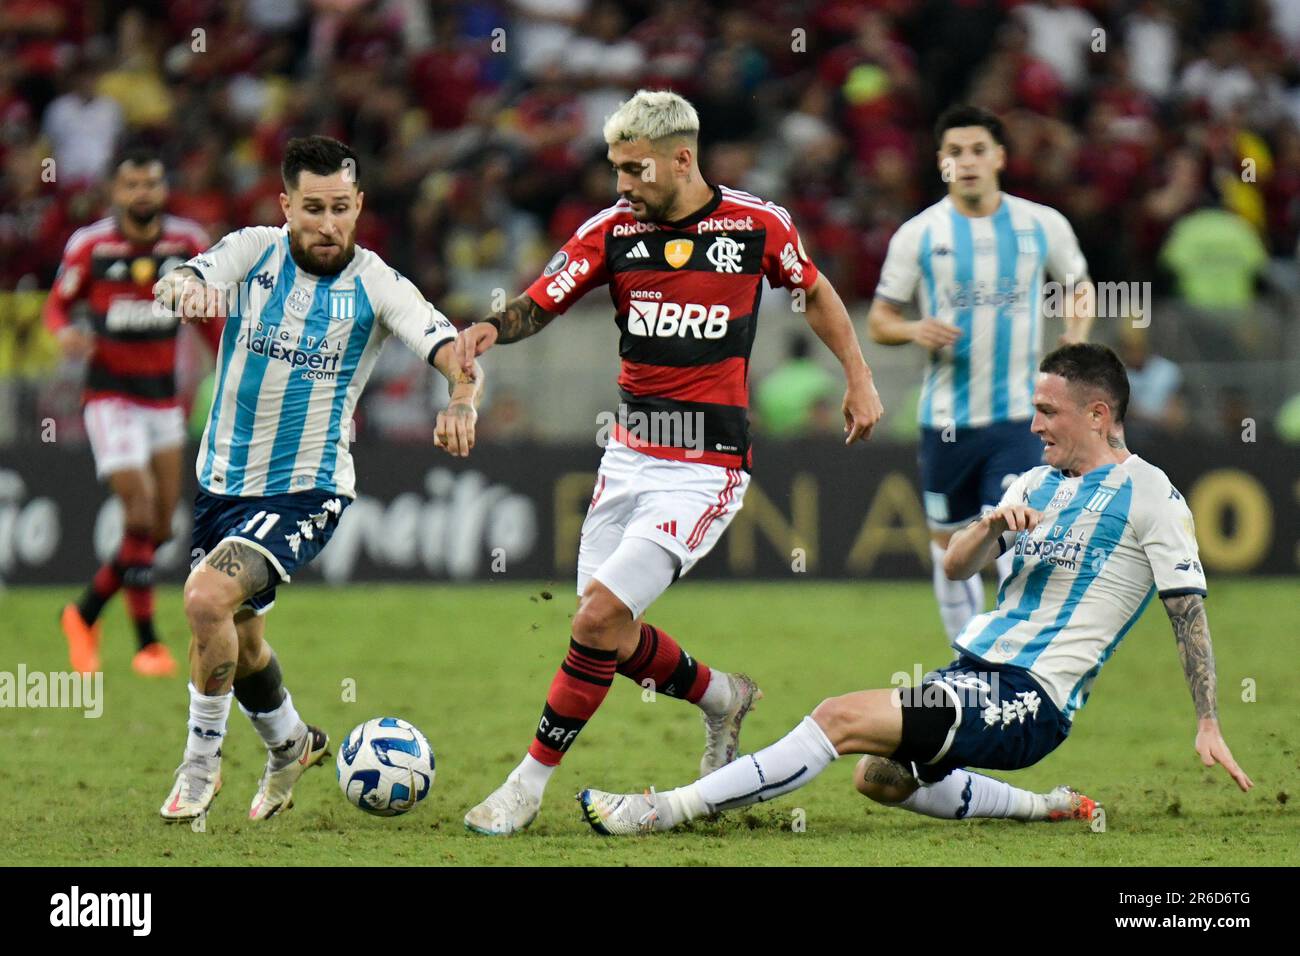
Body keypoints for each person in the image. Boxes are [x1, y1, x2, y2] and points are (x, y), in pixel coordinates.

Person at [580, 343, 1252, 835]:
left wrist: (1209, 718)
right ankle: (1046, 806)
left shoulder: (1151, 494)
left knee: (839, 716)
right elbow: (957, 565)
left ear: (1099, 414)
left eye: (1048, 412)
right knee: (879, 777)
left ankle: (661, 810)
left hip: (1030, 697)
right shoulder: (1033, 483)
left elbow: (1186, 610)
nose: (1035, 426)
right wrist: (990, 525)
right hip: (972, 673)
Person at [454, 89, 884, 835]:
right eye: (615, 167)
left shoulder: (756, 225)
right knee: (608, 639)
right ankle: (722, 696)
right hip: (627, 457)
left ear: (681, 159)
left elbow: (812, 291)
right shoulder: (613, 230)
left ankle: (525, 787)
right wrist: (493, 327)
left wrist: (859, 374)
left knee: (594, 620)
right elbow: (542, 300)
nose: (620, 183)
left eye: (632, 168)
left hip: (705, 465)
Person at [150, 136, 484, 822]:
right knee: (239, 641)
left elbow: (451, 350)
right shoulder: (254, 250)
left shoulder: (377, 284)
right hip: (220, 483)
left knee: (205, 600)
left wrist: (459, 400)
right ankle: (292, 744)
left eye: (340, 208)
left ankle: (199, 765)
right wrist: (180, 287)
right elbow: (191, 274)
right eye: (312, 208)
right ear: (286, 205)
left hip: (308, 487)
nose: (327, 224)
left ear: (358, 206)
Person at [867, 104, 1094, 647]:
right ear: (941, 162)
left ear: (1000, 158)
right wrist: (914, 329)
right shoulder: (919, 234)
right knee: (949, 550)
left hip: (1020, 418)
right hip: (945, 421)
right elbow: (879, 319)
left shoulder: (1041, 224)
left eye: (977, 150)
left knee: (1014, 535)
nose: (966, 162)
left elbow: (1079, 285)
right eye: (954, 152)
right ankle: (966, 658)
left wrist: (1077, 331)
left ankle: (1015, 654)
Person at [45, 146, 215, 678]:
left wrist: (230, 358)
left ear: (164, 189)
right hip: (109, 396)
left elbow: (209, 316)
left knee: (160, 528)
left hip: (163, 399)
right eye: (132, 185)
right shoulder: (91, 246)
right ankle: (147, 643)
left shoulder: (188, 244)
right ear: (116, 193)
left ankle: (84, 612)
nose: (143, 194)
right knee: (139, 512)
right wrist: (65, 332)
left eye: (152, 184)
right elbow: (56, 305)